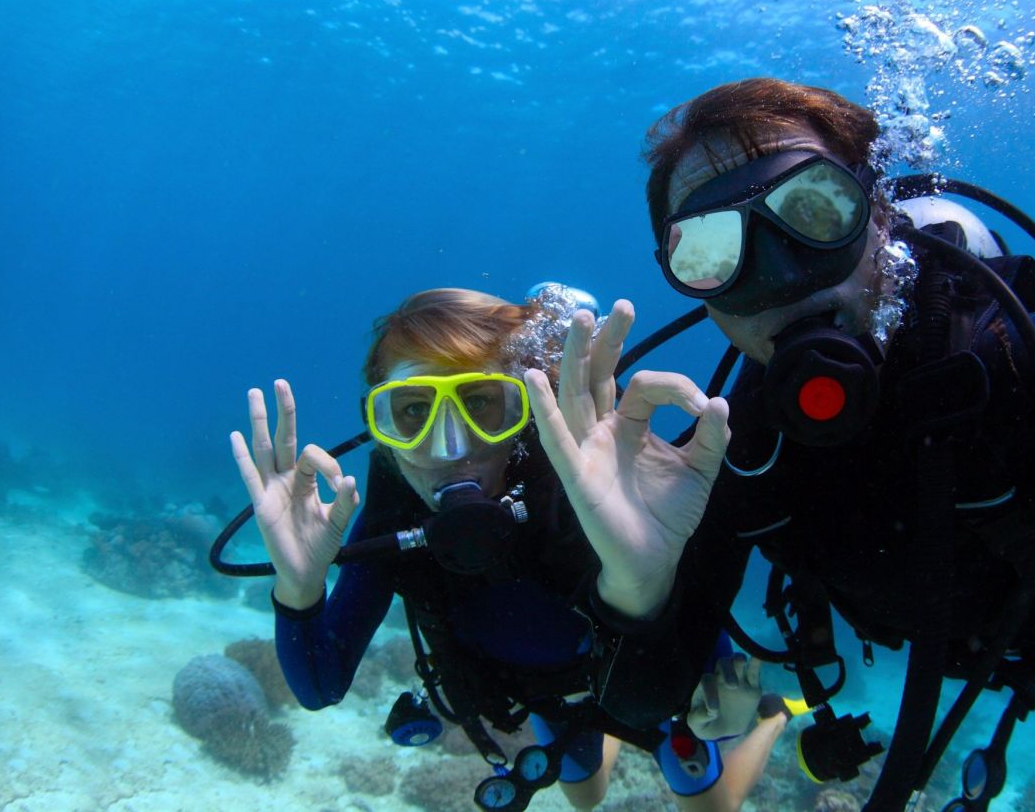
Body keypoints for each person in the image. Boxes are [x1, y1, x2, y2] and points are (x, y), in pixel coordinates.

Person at [523, 79, 1035, 812]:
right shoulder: (729, 450)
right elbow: (643, 701)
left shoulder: (1026, 362)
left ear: (877, 215)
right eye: (714, 251)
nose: (782, 277)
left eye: (814, 213)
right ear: (697, 291)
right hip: (917, 625)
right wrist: (637, 585)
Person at [229, 287, 792, 812]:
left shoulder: (586, 483)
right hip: (546, 696)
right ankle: (605, 732)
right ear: (382, 428)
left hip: (643, 670)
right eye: (413, 411)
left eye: (480, 403)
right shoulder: (393, 512)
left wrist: (717, 688)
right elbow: (319, 685)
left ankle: (774, 720)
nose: (450, 448)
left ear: (521, 410)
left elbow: (677, 591)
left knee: (711, 807)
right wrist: (299, 588)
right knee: (585, 798)